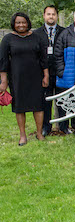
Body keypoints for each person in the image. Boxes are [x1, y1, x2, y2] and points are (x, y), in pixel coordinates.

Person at [0, 13, 48, 145]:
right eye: (18, 23)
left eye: (23, 22)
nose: (21, 25)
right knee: (19, 107)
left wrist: (46, 75)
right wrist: (3, 81)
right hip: (17, 78)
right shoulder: (8, 39)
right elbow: (3, 61)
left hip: (35, 77)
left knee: (38, 106)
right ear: (13, 24)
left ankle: (39, 133)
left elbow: (44, 58)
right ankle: (23, 136)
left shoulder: (36, 38)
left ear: (28, 23)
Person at [33, 5, 66, 135]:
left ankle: (63, 126)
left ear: (57, 16)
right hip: (44, 73)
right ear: (44, 16)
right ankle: (46, 127)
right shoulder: (36, 33)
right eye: (48, 14)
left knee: (62, 100)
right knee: (45, 101)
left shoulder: (64, 32)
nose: (51, 16)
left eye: (53, 14)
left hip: (60, 71)